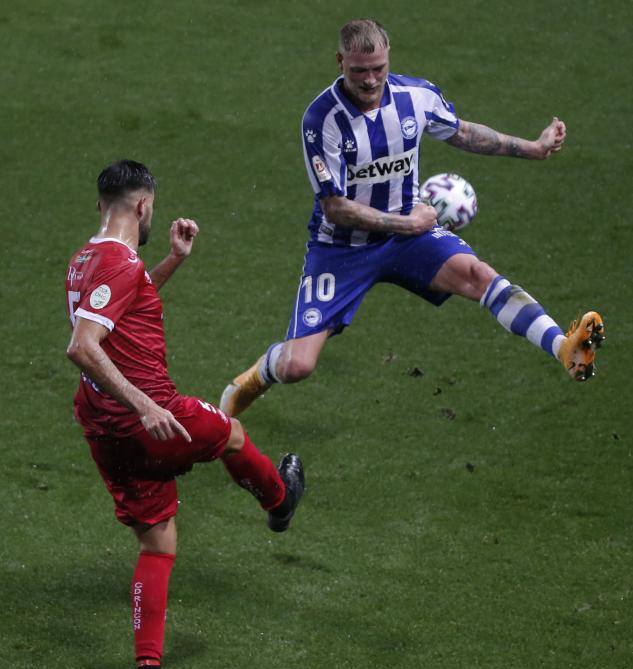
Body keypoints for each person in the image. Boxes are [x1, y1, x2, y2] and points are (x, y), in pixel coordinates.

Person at [220, 18, 604, 419]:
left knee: (479, 275)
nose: (370, 80)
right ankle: (250, 380)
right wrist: (409, 224)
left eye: (378, 69)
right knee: (297, 366)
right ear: (339, 62)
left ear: (389, 60)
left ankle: (564, 347)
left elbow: (463, 133)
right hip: (341, 249)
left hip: (409, 235)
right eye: (359, 71)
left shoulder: (415, 96)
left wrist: (534, 147)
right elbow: (335, 206)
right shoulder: (322, 120)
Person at [65, 160, 304, 669]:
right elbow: (83, 344)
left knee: (158, 543)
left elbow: (124, 305)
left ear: (103, 203)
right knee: (232, 432)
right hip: (148, 417)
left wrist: (171, 261)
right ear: (143, 205)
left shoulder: (86, 260)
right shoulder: (120, 264)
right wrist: (147, 406)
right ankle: (279, 501)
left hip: (100, 425)